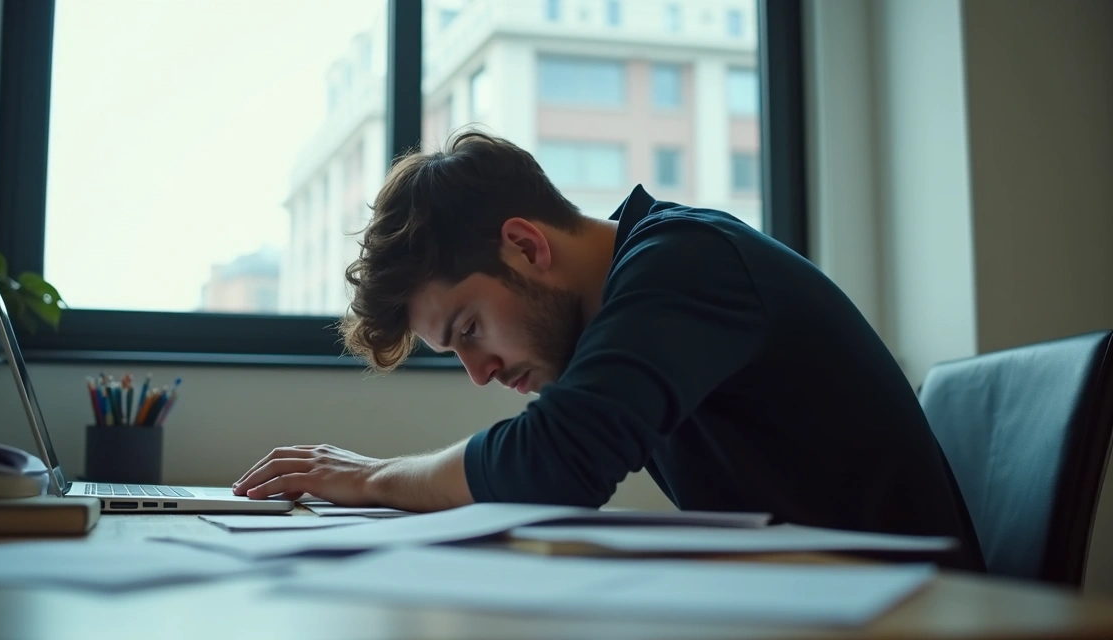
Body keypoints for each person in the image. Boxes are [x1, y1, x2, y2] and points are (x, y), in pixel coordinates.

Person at [232, 131, 985, 571]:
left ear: (525, 246)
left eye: (468, 331)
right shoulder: (636, 294)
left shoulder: (684, 260)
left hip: (911, 614)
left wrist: (374, 478)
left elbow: (555, 466)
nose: (480, 374)